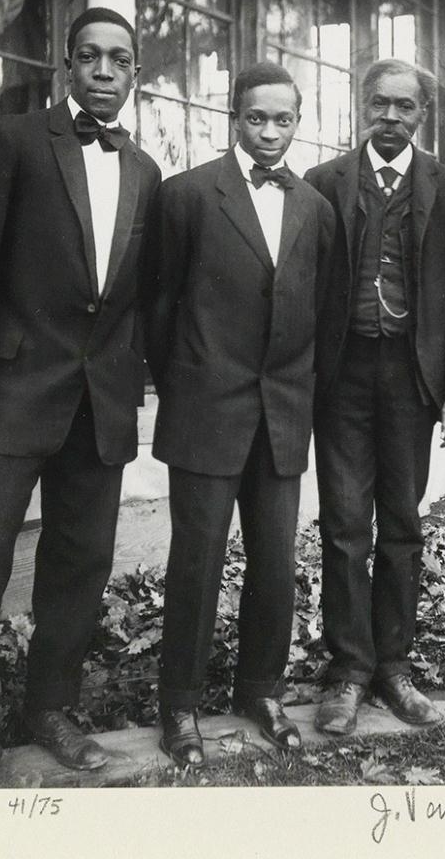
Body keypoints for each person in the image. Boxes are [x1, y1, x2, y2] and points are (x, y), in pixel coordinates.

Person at [0, 7, 161, 773]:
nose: (105, 71)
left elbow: (138, 298)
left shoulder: (143, 169)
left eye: (120, 60)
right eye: (90, 57)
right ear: (66, 66)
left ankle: (52, 709)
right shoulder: (9, 141)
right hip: (10, 393)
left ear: (135, 73)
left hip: (99, 404)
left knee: (80, 564)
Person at [144, 61, 335, 767]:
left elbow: (326, 314)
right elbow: (160, 308)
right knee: (196, 560)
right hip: (205, 408)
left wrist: (299, 392)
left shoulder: (315, 208)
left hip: (282, 412)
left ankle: (261, 689)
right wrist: (190, 380)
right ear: (235, 118)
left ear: (297, 122)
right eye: (256, 117)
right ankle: (181, 704)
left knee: (276, 561)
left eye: (283, 118)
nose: (269, 131)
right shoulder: (188, 194)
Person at [304, 58, 445, 735]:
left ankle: (395, 665)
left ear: (422, 116)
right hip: (344, 373)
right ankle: (349, 668)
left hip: (412, 377)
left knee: (402, 525)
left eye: (404, 106)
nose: (390, 116)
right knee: (346, 524)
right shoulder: (325, 183)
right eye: (379, 103)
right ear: (362, 106)